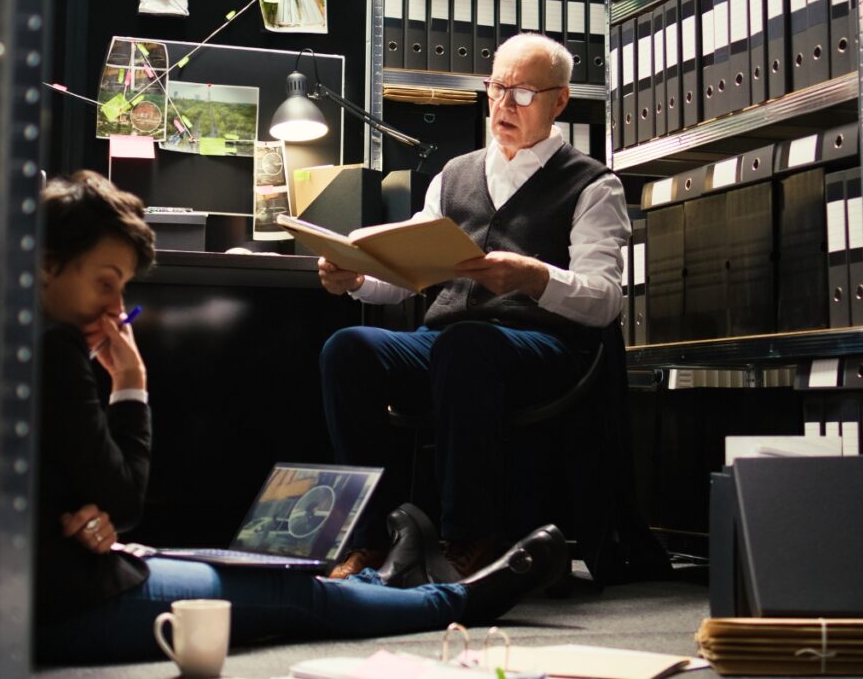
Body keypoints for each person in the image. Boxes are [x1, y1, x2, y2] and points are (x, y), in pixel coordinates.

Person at [33, 170, 567, 664]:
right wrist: (130, 383)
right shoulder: (57, 347)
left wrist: (69, 510)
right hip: (65, 598)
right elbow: (123, 501)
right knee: (292, 596)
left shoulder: (13, 332)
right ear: (47, 265)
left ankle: (383, 579)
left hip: (62, 573)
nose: (116, 308)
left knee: (239, 567)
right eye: (107, 283)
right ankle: (458, 600)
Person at [318, 33, 631, 579]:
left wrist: (536, 278)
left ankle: (469, 536)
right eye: (496, 88)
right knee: (349, 349)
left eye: (524, 94)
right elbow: (407, 275)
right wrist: (356, 278)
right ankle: (370, 537)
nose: (504, 105)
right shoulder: (454, 175)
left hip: (546, 349)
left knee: (467, 347)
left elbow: (605, 299)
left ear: (560, 101)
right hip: (449, 345)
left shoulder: (593, 185)